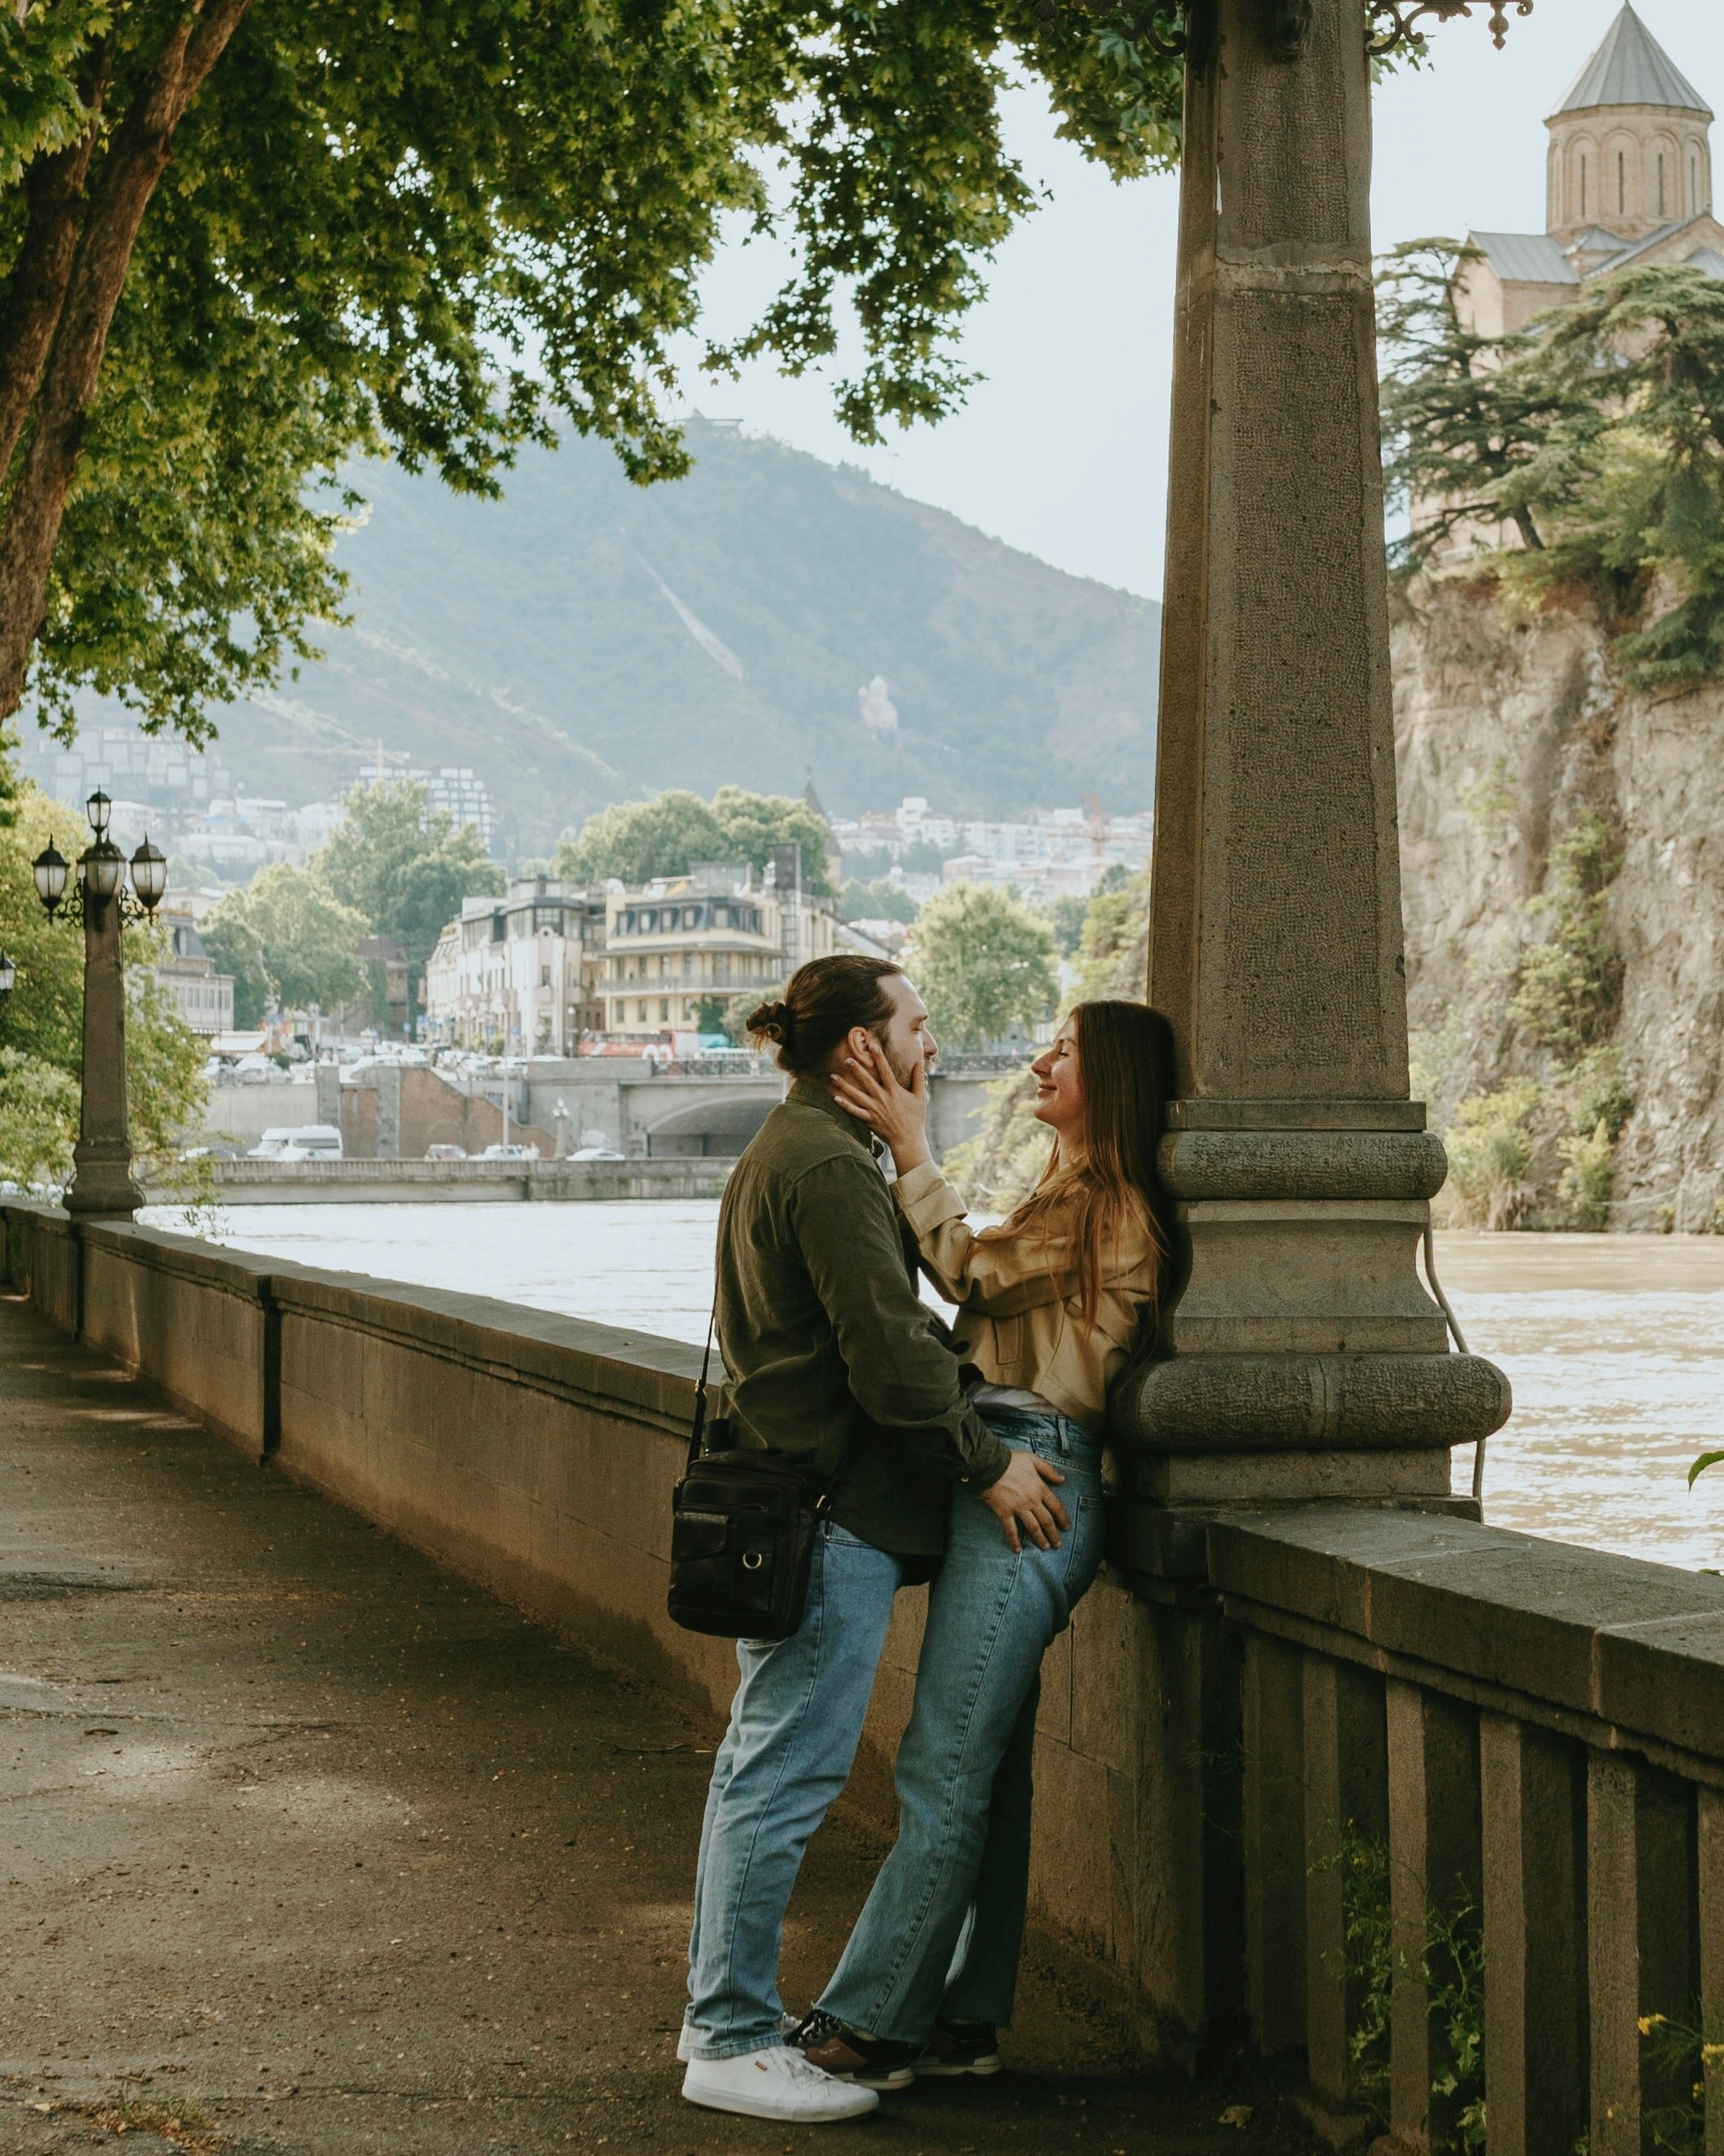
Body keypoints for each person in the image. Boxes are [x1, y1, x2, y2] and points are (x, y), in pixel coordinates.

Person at [680, 954, 1070, 2125]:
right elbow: (892, 1359)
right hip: (826, 1514)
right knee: (784, 1777)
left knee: (761, 1769)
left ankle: (727, 2022)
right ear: (861, 1048)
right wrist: (988, 1461)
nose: (930, 1046)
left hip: (792, 1503)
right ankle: (730, 2034)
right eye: (915, 1025)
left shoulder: (788, 1150)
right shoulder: (828, 1171)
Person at [795, 999, 1173, 2089]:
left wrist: (910, 1146)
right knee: (986, 1769)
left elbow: (963, 1269)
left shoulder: (1108, 1206)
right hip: (1020, 1470)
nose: (1042, 1059)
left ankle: (871, 2027)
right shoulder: (1071, 1196)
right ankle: (964, 2016)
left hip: (1032, 1479)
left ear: (1117, 1080)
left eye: (1066, 1048)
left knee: (943, 1761)